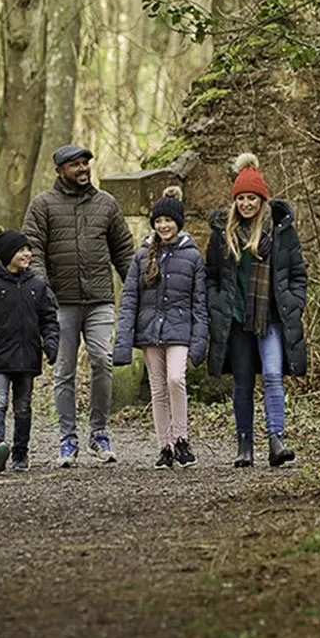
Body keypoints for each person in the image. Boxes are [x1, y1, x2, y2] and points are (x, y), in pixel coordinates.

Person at [23, 143, 136, 467]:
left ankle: (99, 433)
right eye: (75, 165)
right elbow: (34, 252)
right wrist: (43, 293)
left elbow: (124, 253)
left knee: (102, 360)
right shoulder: (42, 205)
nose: (83, 168)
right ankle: (67, 440)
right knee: (64, 371)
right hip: (61, 303)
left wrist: (137, 291)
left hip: (100, 299)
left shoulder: (107, 204)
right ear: (60, 171)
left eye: (86, 163)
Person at [206, 153, 308, 467]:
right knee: (243, 381)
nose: (246, 204)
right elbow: (210, 277)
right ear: (235, 201)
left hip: (272, 318)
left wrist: (293, 303)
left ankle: (276, 440)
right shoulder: (222, 234)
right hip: (236, 320)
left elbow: (298, 275)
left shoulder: (281, 232)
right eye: (241, 199)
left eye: (252, 198)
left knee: (274, 374)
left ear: (262, 200)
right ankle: (244, 445)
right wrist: (218, 304)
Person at [114, 186, 209, 469]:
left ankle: (181, 439)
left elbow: (199, 303)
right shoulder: (142, 255)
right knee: (157, 389)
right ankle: (164, 446)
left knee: (176, 379)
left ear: (178, 223)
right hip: (150, 332)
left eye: (168, 220)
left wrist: (199, 340)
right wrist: (122, 341)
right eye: (158, 221)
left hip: (180, 329)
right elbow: (130, 298)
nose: (163, 226)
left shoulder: (192, 257)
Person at [0, 227, 60, 474]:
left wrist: (51, 344)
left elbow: (49, 319)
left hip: (27, 358)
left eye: (28, 249)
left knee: (23, 407)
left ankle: (20, 452)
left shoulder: (37, 286)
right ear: (7, 254)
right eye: (21, 250)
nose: (27, 253)